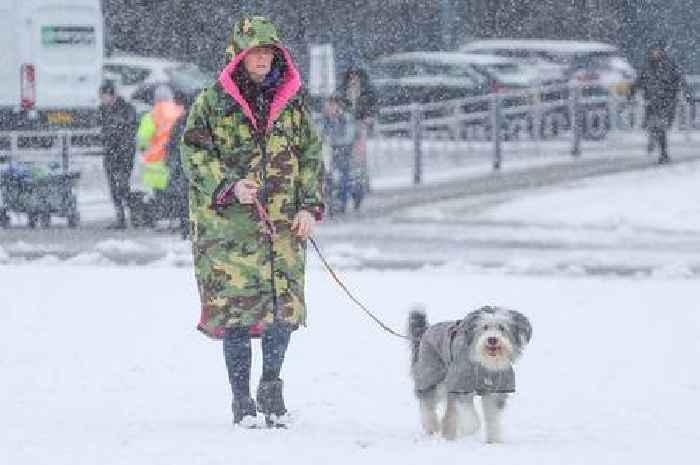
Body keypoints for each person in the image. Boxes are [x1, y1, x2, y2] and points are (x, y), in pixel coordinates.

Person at [180, 16, 324, 429]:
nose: (262, 58)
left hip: (283, 226)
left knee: (284, 311)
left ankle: (271, 386)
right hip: (231, 229)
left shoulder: (292, 103)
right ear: (239, 57)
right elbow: (194, 155)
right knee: (236, 314)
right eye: (254, 52)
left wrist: (309, 206)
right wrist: (227, 186)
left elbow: (311, 156)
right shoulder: (212, 103)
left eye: (268, 52)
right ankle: (241, 399)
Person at [630, 43, 691, 164]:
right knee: (656, 126)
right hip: (651, 101)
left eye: (657, 51)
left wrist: (686, 93)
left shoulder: (670, 65)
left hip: (667, 101)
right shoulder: (647, 66)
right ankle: (662, 152)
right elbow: (639, 81)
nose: (655, 54)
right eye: (653, 51)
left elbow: (680, 79)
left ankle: (658, 144)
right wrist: (632, 92)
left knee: (661, 126)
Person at [99, 81, 138, 230]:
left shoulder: (127, 109)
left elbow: (129, 127)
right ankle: (120, 217)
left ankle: (134, 212)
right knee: (113, 186)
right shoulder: (102, 110)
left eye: (104, 96)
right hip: (110, 152)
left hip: (124, 152)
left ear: (112, 95)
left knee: (123, 185)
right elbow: (104, 128)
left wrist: (115, 131)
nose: (103, 100)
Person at [340, 66, 377, 200]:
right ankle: (352, 183)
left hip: (359, 125)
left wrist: (367, 118)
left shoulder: (366, 92)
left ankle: (361, 183)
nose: (353, 80)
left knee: (359, 158)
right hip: (346, 126)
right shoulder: (344, 92)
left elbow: (372, 108)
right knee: (346, 155)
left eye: (356, 77)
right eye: (351, 77)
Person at [319, 95, 357, 214]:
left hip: (343, 152)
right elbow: (319, 134)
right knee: (327, 176)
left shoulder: (346, 118)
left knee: (343, 175)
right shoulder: (325, 120)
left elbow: (349, 136)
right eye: (327, 107)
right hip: (329, 152)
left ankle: (342, 201)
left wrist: (334, 141)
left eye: (330, 106)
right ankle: (330, 201)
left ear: (337, 106)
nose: (328, 109)